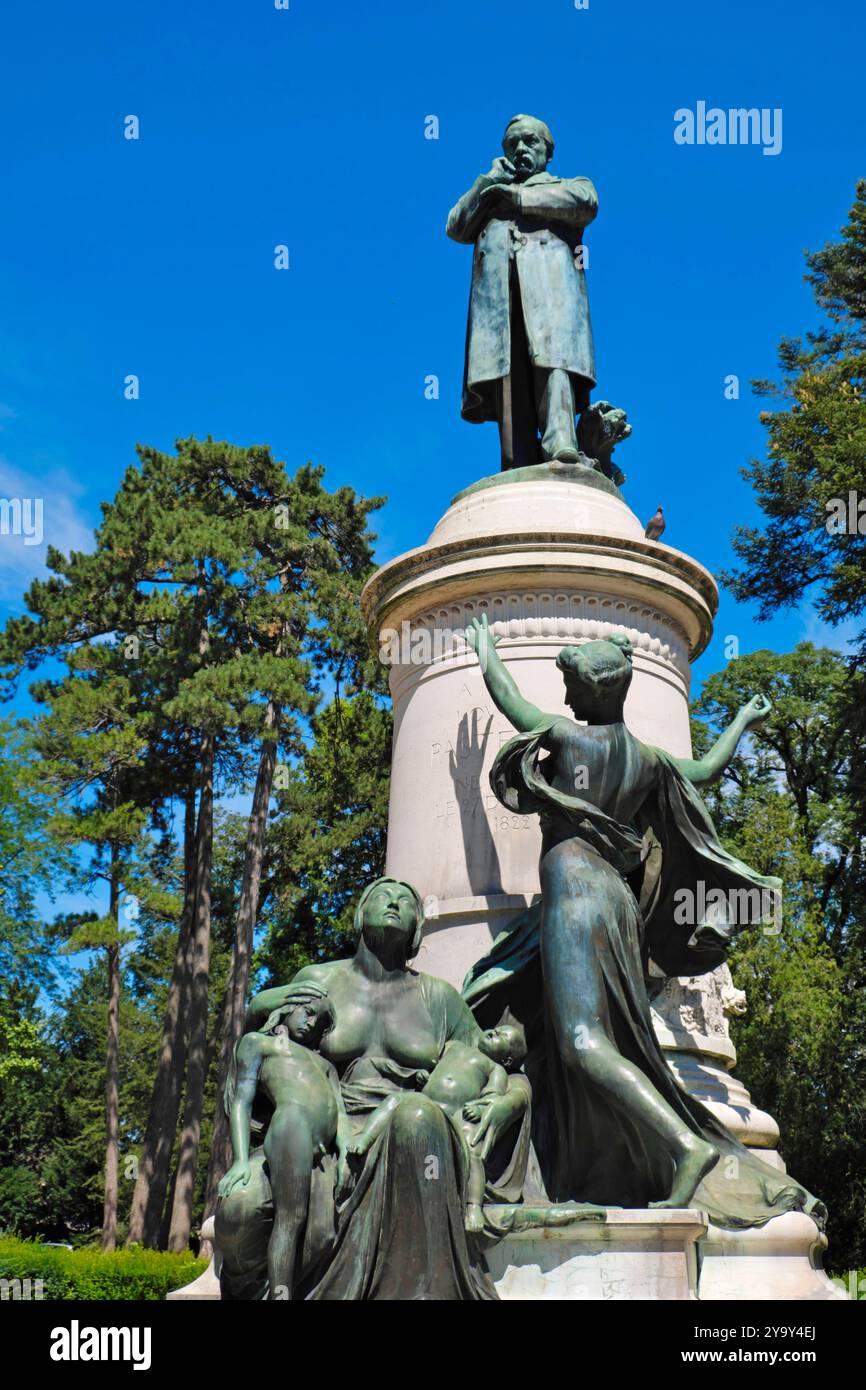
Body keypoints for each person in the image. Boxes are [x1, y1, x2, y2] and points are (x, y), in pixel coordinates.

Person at [463, 614, 825, 1229]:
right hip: (617, 905)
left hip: (575, 891)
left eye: (573, 686)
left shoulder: (570, 740)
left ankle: (685, 1148)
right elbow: (705, 772)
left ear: (592, 691)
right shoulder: (646, 758)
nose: (567, 696)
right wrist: (741, 721)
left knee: (582, 1041)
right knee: (604, 1036)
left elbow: (510, 698)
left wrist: (486, 651)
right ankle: (593, 1163)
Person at [215, 877, 532, 1300]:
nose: (395, 903)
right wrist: (260, 1005)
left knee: (416, 1118)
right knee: (240, 1208)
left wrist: (508, 1103)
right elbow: (261, 1049)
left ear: (418, 929)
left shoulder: (438, 997)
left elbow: (506, 1068)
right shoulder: (318, 979)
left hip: (409, 1134)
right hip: (319, 1135)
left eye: (407, 901)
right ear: (359, 913)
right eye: (383, 895)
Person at [447, 114, 597, 470]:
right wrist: (488, 181)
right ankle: (517, 458)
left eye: (530, 141)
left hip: (549, 295)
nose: (520, 149)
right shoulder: (489, 193)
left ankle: (561, 442)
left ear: (548, 150)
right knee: (506, 371)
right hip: (498, 302)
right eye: (512, 143)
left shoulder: (569, 185)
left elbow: (586, 202)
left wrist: (515, 197)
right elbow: (456, 226)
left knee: (552, 361)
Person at [217, 983, 349, 1300]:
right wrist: (239, 1160)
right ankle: (280, 1294)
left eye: (320, 1022)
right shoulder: (259, 1044)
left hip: (321, 1152)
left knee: (322, 1234)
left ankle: (276, 1289)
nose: (311, 1023)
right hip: (291, 1129)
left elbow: (340, 1112)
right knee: (290, 1221)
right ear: (288, 1007)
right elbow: (241, 1102)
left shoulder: (326, 1065)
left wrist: (345, 1150)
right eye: (308, 1013)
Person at [348, 1023, 527, 1232]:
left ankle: (473, 1206)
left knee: (473, 1150)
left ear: (506, 1059)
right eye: (495, 1030)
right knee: (395, 1100)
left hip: (457, 1113)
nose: (493, 1032)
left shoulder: (495, 1070)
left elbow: (492, 1098)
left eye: (500, 1037)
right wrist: (425, 1075)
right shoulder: (454, 1046)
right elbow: (436, 1067)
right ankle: (365, 1137)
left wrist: (478, 1110)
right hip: (427, 1100)